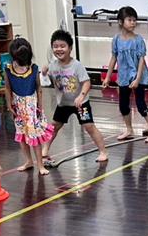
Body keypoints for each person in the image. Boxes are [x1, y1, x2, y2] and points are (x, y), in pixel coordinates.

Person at [41, 29, 108, 164]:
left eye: (62, 46)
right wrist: (43, 73)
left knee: (89, 126)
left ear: (70, 48)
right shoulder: (53, 66)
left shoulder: (76, 65)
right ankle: (45, 150)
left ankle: (103, 151)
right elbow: (46, 80)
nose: (59, 49)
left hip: (80, 103)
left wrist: (81, 96)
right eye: (55, 46)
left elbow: (87, 82)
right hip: (63, 103)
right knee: (54, 126)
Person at [104, 6, 148, 142]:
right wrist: (108, 77)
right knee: (123, 105)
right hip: (124, 76)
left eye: (134, 20)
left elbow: (141, 60)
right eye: (129, 20)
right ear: (121, 22)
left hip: (137, 76)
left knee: (140, 104)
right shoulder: (116, 39)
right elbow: (113, 58)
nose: (133, 23)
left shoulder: (138, 40)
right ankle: (129, 129)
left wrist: (138, 79)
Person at [4, 37, 54, 174]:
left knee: (34, 136)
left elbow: (38, 88)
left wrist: (40, 105)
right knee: (22, 134)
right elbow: (7, 88)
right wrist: (9, 104)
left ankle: (40, 165)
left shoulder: (33, 68)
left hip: (31, 108)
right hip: (18, 107)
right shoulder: (8, 70)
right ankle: (28, 161)